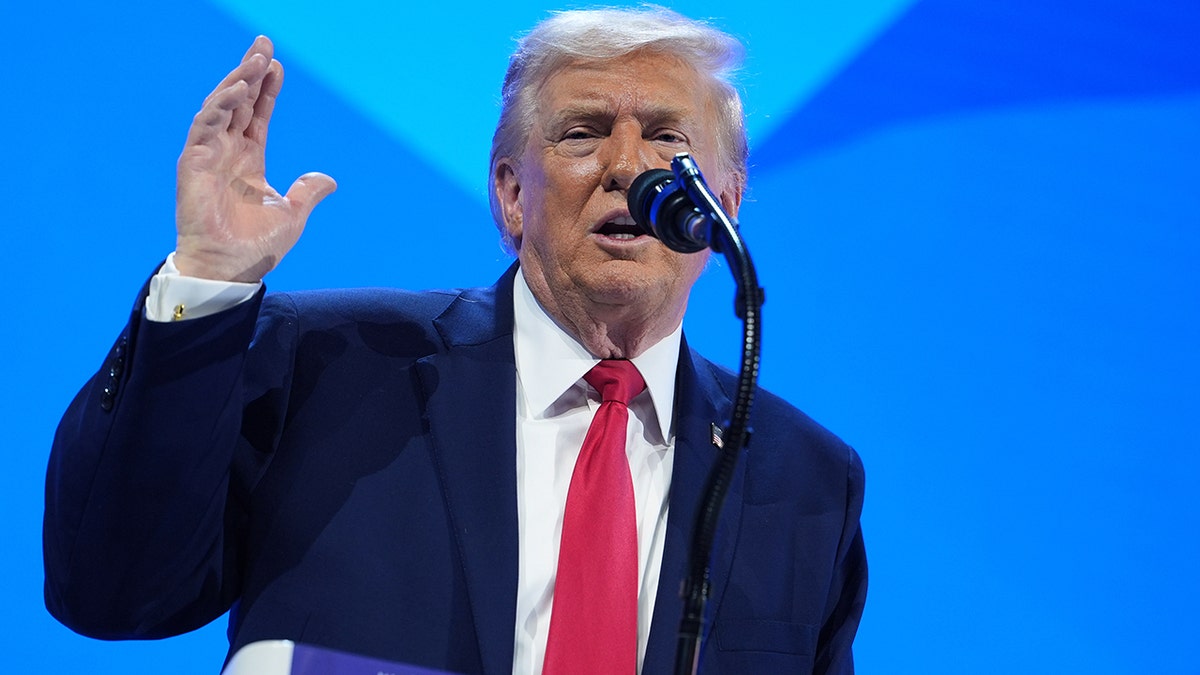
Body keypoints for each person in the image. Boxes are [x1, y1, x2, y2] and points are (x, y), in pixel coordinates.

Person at [44, 7, 866, 674]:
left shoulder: (806, 478)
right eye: (582, 133)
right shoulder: (327, 364)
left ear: (727, 192)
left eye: (668, 139)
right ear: (511, 194)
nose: (629, 167)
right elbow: (115, 590)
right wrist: (209, 280)